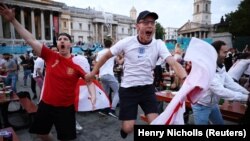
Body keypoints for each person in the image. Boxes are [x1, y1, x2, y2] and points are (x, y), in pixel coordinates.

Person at [0, 4, 96, 141]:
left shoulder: (76, 66)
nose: (62, 41)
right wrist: (13, 20)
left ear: (71, 44)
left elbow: (89, 81)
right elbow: (30, 39)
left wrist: (93, 96)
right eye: (60, 39)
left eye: (65, 39)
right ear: (57, 44)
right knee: (41, 133)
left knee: (66, 138)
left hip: (66, 109)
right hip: (46, 105)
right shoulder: (50, 56)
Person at [85, 10, 187, 138]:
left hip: (147, 88)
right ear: (137, 26)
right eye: (146, 22)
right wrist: (93, 72)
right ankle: (125, 129)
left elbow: (173, 62)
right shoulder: (127, 42)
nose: (150, 25)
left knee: (156, 124)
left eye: (152, 23)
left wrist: (185, 78)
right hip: (128, 89)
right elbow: (106, 56)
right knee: (128, 128)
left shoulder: (159, 44)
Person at [191, 40, 249, 125]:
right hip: (201, 105)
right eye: (225, 52)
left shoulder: (221, 66)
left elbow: (230, 83)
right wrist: (246, 98)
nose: (227, 55)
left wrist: (247, 93)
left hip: (213, 104)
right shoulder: (206, 69)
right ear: (215, 53)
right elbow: (220, 91)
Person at [96, 37, 122, 118]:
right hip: (108, 74)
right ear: (111, 45)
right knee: (119, 91)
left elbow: (97, 64)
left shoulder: (99, 52)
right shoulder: (112, 52)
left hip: (102, 75)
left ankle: (104, 109)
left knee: (106, 93)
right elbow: (120, 62)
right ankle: (112, 109)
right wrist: (123, 57)